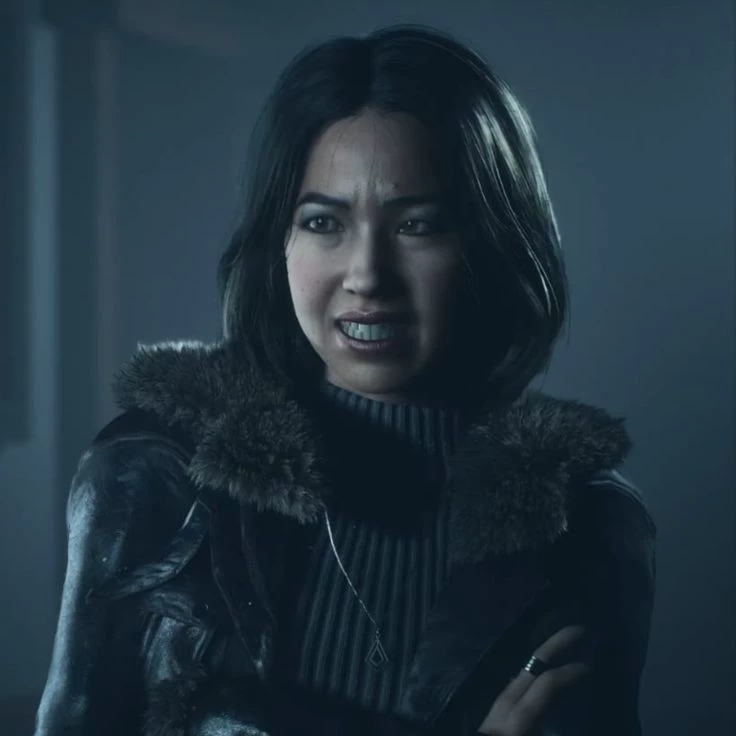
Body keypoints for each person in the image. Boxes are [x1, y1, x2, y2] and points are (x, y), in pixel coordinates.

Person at [34, 24, 656, 736]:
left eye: (417, 225)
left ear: (491, 244)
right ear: (279, 242)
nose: (366, 275)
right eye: (323, 222)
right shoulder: (154, 479)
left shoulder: (588, 531)